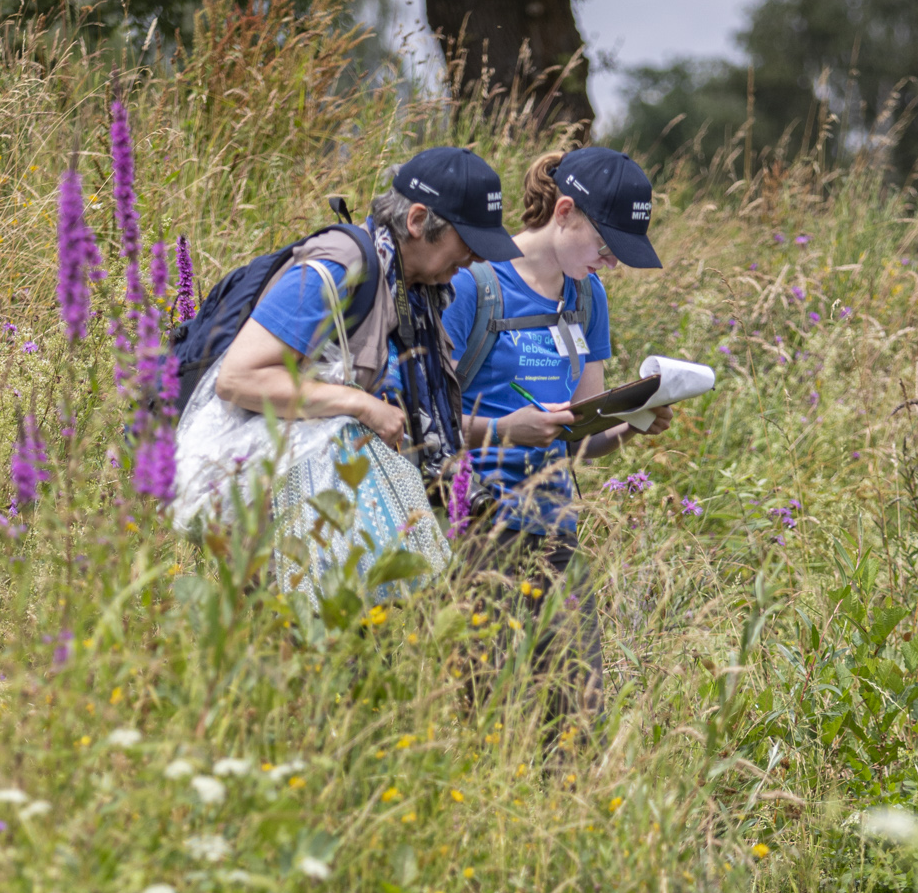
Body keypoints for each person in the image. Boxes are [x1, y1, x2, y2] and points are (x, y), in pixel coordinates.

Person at [171, 145, 520, 553]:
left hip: (332, 524)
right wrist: (360, 405)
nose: (476, 257)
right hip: (272, 524)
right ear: (418, 220)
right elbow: (238, 378)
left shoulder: (420, 296)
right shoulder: (341, 266)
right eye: (469, 241)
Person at [439, 144, 673, 731]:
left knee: (577, 717)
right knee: (483, 709)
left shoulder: (586, 298)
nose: (611, 263)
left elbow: (578, 433)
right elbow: (416, 421)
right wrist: (504, 430)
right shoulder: (469, 285)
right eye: (606, 246)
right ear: (564, 211)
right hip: (472, 527)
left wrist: (633, 420)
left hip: (552, 527)